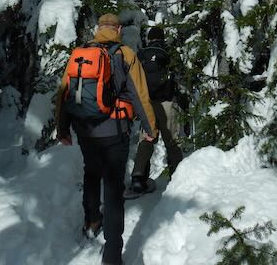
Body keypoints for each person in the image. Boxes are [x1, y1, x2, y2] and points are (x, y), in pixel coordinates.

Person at [56, 13, 158, 265]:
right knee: (113, 189)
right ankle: (112, 255)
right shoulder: (125, 54)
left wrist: (62, 129)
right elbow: (140, 95)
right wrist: (151, 128)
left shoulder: (80, 53)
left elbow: (64, 92)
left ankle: (92, 221)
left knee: (91, 173)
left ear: (98, 28)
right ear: (119, 29)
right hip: (115, 132)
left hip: (86, 131)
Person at [129, 26, 185, 194]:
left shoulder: (141, 54)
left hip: (147, 104)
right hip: (167, 103)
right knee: (172, 141)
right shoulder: (169, 53)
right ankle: (178, 178)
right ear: (162, 38)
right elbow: (180, 76)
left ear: (149, 38)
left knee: (146, 140)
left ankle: (138, 178)